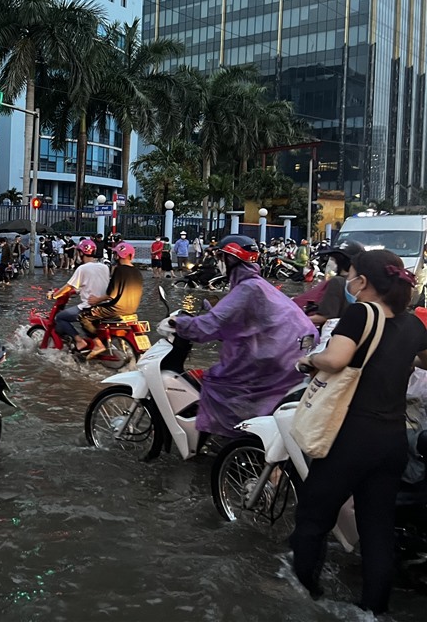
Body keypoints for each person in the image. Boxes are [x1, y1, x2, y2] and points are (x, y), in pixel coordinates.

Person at [291, 250, 427, 614]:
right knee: (377, 529)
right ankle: (373, 610)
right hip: (392, 440)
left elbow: (335, 360)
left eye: (349, 275)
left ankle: (304, 595)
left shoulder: (359, 313)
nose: (347, 281)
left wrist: (309, 360)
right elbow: (424, 360)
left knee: (313, 519)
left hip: (351, 437)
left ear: (363, 281)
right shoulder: (414, 325)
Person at [171, 235, 317, 437]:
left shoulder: (248, 288)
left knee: (217, 382)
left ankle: (232, 438)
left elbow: (211, 325)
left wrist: (179, 324)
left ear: (231, 260)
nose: (220, 263)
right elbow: (237, 321)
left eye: (222, 258)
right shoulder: (256, 285)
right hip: (292, 353)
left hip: (276, 358)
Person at [80, 241, 145, 358]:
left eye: (116, 254)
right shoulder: (138, 272)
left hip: (116, 309)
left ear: (119, 256)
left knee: (84, 316)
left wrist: (97, 300)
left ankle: (98, 345)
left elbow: (112, 294)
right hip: (132, 309)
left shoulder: (119, 270)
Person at [49, 239, 112, 353]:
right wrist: (79, 291)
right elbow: (94, 284)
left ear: (81, 253)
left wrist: (54, 295)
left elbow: (68, 287)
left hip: (89, 306)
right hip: (104, 306)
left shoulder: (82, 268)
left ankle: (79, 341)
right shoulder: (104, 267)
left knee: (60, 317)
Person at [302, 239, 365, 329]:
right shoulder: (360, 283)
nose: (330, 262)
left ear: (342, 262)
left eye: (333, 259)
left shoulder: (337, 282)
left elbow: (326, 316)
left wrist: (300, 319)